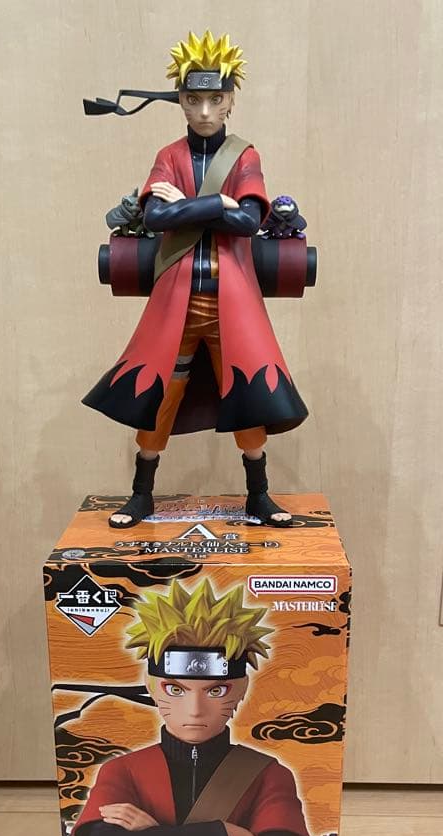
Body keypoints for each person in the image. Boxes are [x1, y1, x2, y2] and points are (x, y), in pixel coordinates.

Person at [83, 30, 309, 529]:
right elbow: (155, 217)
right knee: (159, 394)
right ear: (181, 101)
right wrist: (216, 203)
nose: (205, 111)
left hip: (231, 300)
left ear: (230, 101)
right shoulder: (169, 155)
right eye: (193, 99)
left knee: (248, 394)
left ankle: (259, 494)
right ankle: (141, 494)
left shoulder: (244, 157)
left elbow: (247, 221)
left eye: (215, 99)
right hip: (178, 301)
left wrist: (189, 206)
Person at [71, 579, 313, 836]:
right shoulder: (123, 770)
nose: (195, 709)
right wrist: (217, 835)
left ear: (240, 689)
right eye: (176, 690)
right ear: (152, 687)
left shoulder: (267, 774)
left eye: (215, 690)